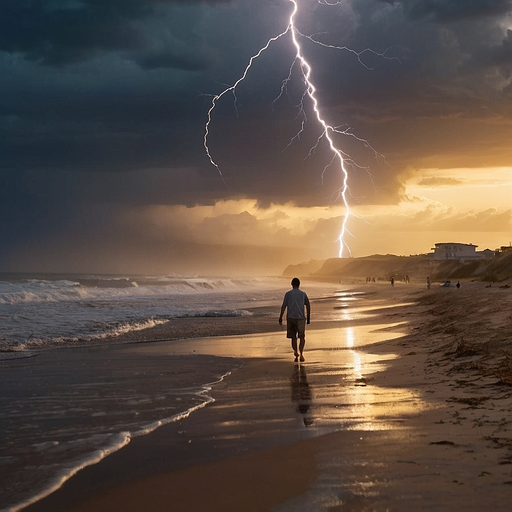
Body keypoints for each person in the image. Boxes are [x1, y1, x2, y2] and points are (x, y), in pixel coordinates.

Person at [279, 277, 311, 362]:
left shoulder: (288, 294)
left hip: (291, 318)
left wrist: (280, 317)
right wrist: (308, 317)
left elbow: (284, 306)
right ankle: (301, 354)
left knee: (293, 337)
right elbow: (308, 305)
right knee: (302, 337)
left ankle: (295, 351)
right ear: (299, 284)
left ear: (292, 284)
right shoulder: (303, 294)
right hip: (301, 318)